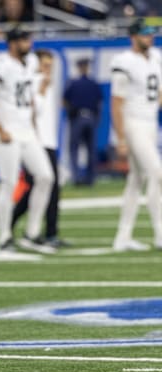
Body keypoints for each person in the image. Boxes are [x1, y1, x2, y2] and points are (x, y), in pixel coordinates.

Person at [0, 25, 55, 254]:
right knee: (8, 183)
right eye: (24, 40)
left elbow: (29, 98)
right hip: (7, 132)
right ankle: (4, 238)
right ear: (13, 43)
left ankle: (32, 233)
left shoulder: (30, 62)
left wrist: (33, 127)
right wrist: (0, 128)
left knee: (45, 177)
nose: (29, 43)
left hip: (26, 131)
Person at [110, 18, 162, 252]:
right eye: (144, 33)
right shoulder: (124, 61)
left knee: (136, 181)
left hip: (150, 123)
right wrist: (121, 137)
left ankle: (122, 237)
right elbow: (116, 102)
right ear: (133, 36)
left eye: (151, 33)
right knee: (157, 174)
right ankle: (160, 233)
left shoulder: (157, 57)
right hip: (133, 123)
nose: (149, 37)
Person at [11, 49, 69, 248]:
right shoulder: (33, 82)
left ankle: (40, 230)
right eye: (44, 65)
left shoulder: (46, 82)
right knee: (45, 186)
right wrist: (42, 90)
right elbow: (34, 112)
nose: (48, 70)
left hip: (48, 141)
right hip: (37, 142)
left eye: (50, 66)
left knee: (45, 187)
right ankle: (39, 231)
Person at [64, 58, 103, 186]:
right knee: (90, 150)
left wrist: (70, 113)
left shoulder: (73, 83)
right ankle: (89, 179)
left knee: (75, 149)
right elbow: (100, 102)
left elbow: (64, 101)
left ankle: (76, 178)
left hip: (78, 118)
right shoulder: (93, 83)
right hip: (90, 118)